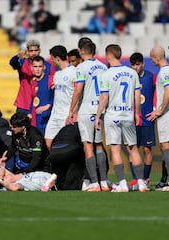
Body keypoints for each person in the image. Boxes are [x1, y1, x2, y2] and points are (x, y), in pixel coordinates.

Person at [95, 44, 148, 193]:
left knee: (116, 150)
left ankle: (123, 184)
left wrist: (98, 115)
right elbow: (137, 95)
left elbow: (104, 97)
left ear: (108, 55)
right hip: (128, 115)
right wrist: (137, 113)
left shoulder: (106, 74)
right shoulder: (132, 73)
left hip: (113, 116)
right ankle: (141, 183)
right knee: (134, 149)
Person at [67, 40, 109, 192]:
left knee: (88, 146)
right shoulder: (103, 66)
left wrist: (71, 111)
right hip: (100, 110)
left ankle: (94, 183)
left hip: (86, 110)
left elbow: (78, 91)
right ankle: (104, 182)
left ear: (80, 51)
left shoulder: (81, 67)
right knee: (99, 145)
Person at [147, 45, 169, 191]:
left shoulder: (164, 73)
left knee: (166, 146)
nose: (151, 61)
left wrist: (159, 110)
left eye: (152, 58)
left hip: (166, 112)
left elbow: (168, 91)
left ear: (157, 57)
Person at [128, 52, 156, 190]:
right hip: (131, 120)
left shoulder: (151, 77)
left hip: (147, 119)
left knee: (147, 149)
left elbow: (163, 91)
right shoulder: (128, 77)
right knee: (132, 149)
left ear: (143, 64)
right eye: (133, 65)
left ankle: (145, 178)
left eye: (137, 64)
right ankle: (135, 179)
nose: (135, 67)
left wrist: (157, 110)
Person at [9, 39, 54, 113]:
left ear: (39, 50)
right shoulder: (22, 63)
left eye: (36, 50)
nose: (33, 53)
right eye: (31, 51)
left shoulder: (48, 66)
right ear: (27, 51)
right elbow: (12, 63)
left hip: (41, 104)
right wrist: (18, 56)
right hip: (24, 103)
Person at [44, 45, 76, 149]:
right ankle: (52, 165)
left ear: (57, 58)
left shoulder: (74, 72)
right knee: (48, 143)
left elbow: (78, 94)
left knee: (66, 145)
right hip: (55, 115)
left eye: (52, 58)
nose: (51, 61)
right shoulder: (57, 74)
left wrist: (74, 113)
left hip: (66, 115)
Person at [29, 55, 53, 135]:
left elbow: (58, 96)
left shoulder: (50, 80)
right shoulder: (32, 82)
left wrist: (48, 105)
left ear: (44, 67)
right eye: (35, 66)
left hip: (47, 120)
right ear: (31, 68)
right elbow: (32, 99)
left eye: (40, 66)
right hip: (35, 121)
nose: (38, 69)